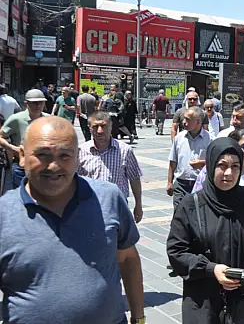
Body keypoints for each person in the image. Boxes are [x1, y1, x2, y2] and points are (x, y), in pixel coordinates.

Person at [0, 116, 144, 323]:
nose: (54, 166)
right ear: (22, 156)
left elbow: (128, 259)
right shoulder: (4, 214)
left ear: (78, 157)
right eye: (42, 155)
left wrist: (139, 318)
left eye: (65, 155)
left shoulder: (109, 198)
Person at [166, 137, 244, 323]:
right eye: (222, 166)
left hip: (242, 302)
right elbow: (176, 252)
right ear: (211, 165)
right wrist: (211, 269)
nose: (228, 173)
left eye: (235, 166)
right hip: (203, 303)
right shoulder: (191, 205)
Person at [77, 111, 144, 223]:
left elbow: (134, 178)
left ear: (111, 126)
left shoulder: (124, 150)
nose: (99, 131)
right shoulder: (81, 151)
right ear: (89, 128)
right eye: (95, 127)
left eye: (103, 126)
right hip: (89, 208)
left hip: (117, 208)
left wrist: (138, 205)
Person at [0, 89, 49, 189]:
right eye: (34, 103)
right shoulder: (16, 119)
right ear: (26, 103)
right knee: (21, 196)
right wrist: (13, 149)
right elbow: (1, 137)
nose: (38, 106)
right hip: (21, 166)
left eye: (41, 103)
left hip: (44, 165)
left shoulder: (49, 119)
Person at [167, 107, 213, 210]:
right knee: (179, 215)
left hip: (200, 185)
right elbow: (173, 161)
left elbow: (215, 163)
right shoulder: (179, 138)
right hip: (180, 185)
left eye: (188, 119)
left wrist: (202, 163)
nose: (184, 122)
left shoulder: (210, 139)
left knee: (198, 216)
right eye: (184, 119)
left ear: (198, 122)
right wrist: (170, 182)